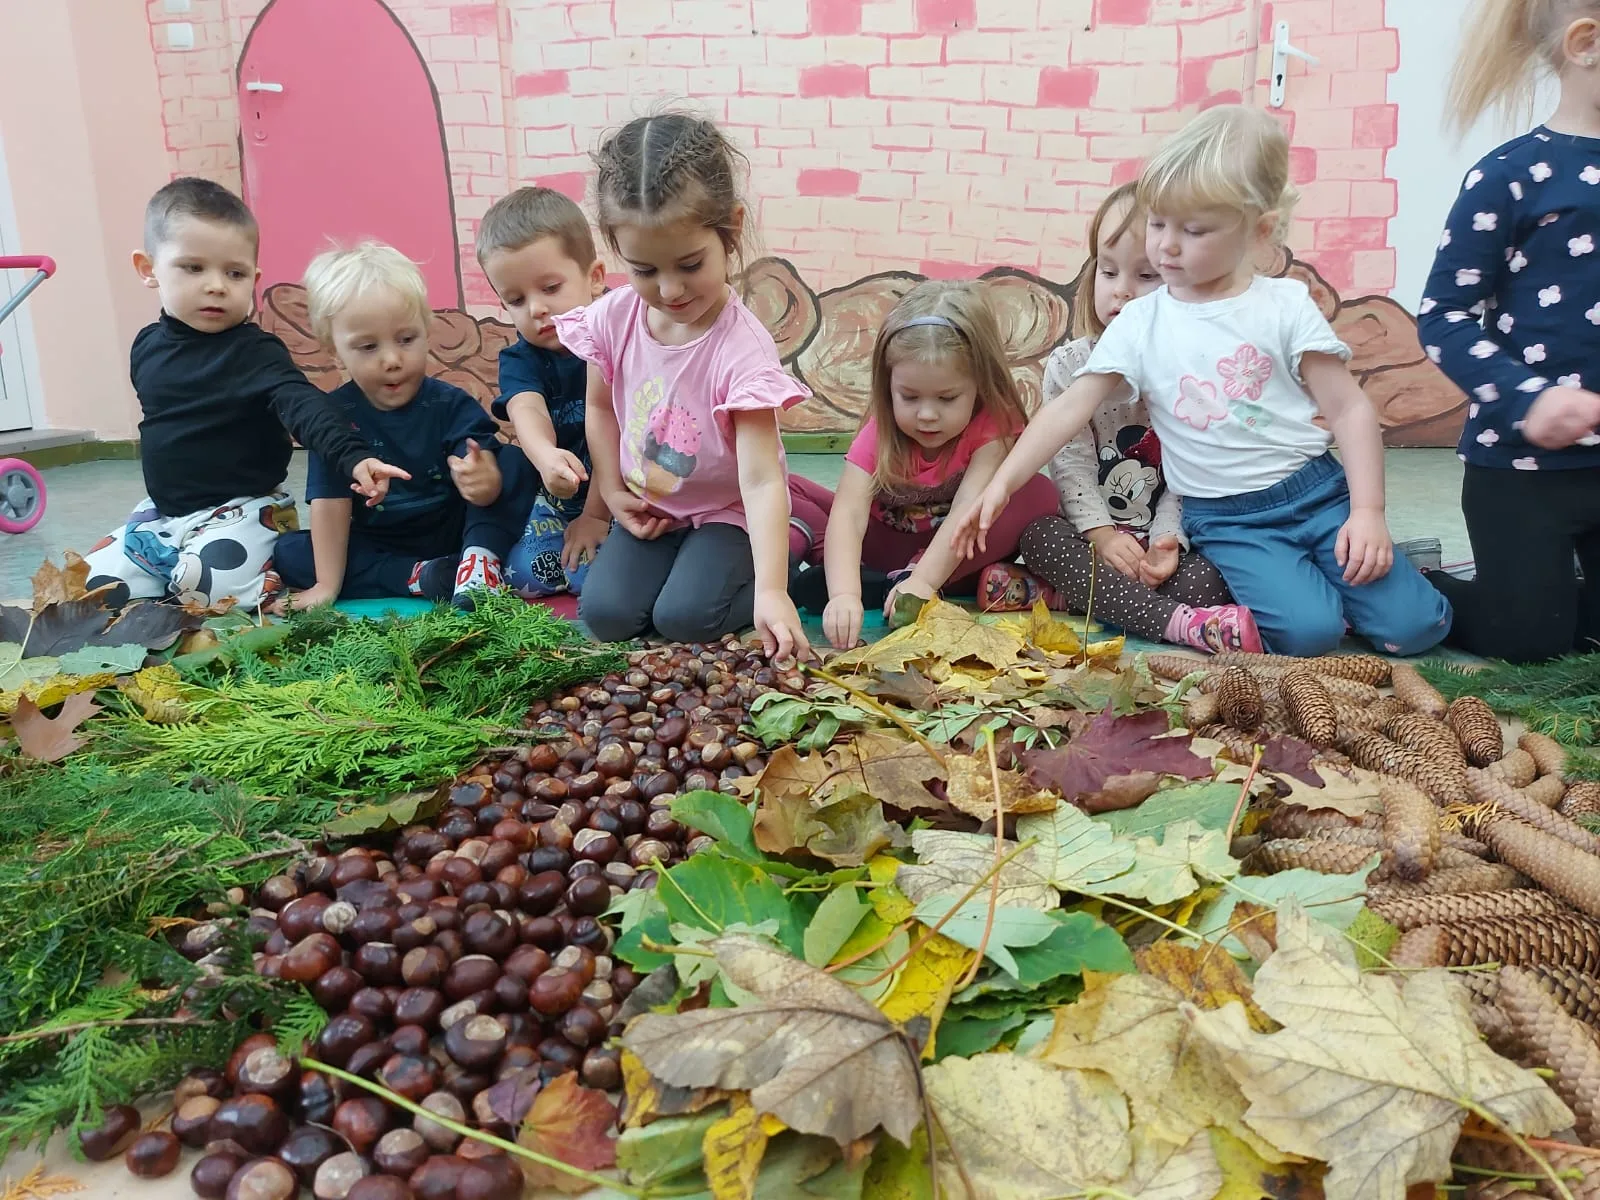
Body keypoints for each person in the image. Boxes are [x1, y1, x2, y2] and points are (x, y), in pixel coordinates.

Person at [950, 105, 1451, 658]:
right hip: (1231, 522)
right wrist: (1001, 483)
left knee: (1416, 629)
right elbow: (1070, 407)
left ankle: (1396, 586)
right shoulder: (1142, 321)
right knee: (1309, 635)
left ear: (1257, 229)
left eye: (1192, 230)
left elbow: (1351, 410)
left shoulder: (1283, 306)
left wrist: (1367, 513)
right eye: (1159, 223)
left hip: (1315, 495)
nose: (1164, 245)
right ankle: (1332, 595)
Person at [554, 111, 812, 660]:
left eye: (690, 264)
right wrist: (613, 495)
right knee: (605, 615)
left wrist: (770, 591)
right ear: (616, 247)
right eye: (644, 270)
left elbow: (763, 477)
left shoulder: (740, 348)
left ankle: (784, 551)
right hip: (653, 509)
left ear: (732, 230)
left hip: (728, 510)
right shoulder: (612, 320)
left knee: (686, 619)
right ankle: (697, 566)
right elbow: (600, 409)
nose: (670, 290)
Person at [83, 178, 406, 610]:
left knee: (205, 587)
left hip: (244, 511)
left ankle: (267, 575)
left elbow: (304, 405)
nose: (216, 285)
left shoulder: (255, 353)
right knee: (89, 589)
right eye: (193, 268)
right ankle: (171, 571)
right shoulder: (147, 346)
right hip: (164, 515)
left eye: (234, 273)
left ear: (253, 279)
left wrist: (353, 456)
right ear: (148, 269)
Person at [1417, 0, 1600, 662]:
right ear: (1586, 43)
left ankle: (1554, 587)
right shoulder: (1510, 175)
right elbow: (1442, 317)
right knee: (1530, 638)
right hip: (1522, 468)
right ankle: (1413, 583)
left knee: (1584, 635)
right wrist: (1528, 397)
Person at [1004, 183, 1259, 651]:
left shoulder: (1195, 374)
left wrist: (1166, 541)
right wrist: (1101, 535)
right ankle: (1176, 624)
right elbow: (1071, 463)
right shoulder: (1070, 365)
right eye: (1107, 271)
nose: (1120, 290)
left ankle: (1063, 596)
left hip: (1162, 542)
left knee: (1214, 579)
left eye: (1146, 275)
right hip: (1089, 534)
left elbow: (1188, 474)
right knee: (1038, 535)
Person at [271, 242, 530, 610]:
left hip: (457, 530)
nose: (392, 360)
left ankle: (479, 564)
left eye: (406, 339)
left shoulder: (449, 403)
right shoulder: (332, 418)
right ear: (334, 350)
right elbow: (330, 503)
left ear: (427, 330)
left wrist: (483, 480)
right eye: (367, 347)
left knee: (514, 462)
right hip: (379, 542)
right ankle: (421, 576)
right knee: (289, 552)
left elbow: (484, 484)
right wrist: (326, 586)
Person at [814, 280, 1059, 650]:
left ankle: (897, 586)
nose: (927, 415)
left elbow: (968, 509)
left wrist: (922, 582)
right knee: (792, 491)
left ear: (980, 383)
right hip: (888, 547)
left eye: (947, 398)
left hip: (955, 555)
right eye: (909, 397)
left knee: (1037, 492)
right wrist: (844, 594)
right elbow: (848, 513)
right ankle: (872, 583)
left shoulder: (994, 424)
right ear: (888, 385)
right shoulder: (880, 430)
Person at [476, 187, 611, 599]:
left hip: (620, 490)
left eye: (550, 288)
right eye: (515, 299)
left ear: (595, 278)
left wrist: (596, 515)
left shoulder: (616, 340)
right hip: (557, 499)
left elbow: (621, 439)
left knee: (599, 583)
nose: (535, 308)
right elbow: (527, 410)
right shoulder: (522, 359)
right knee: (527, 577)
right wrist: (545, 455)